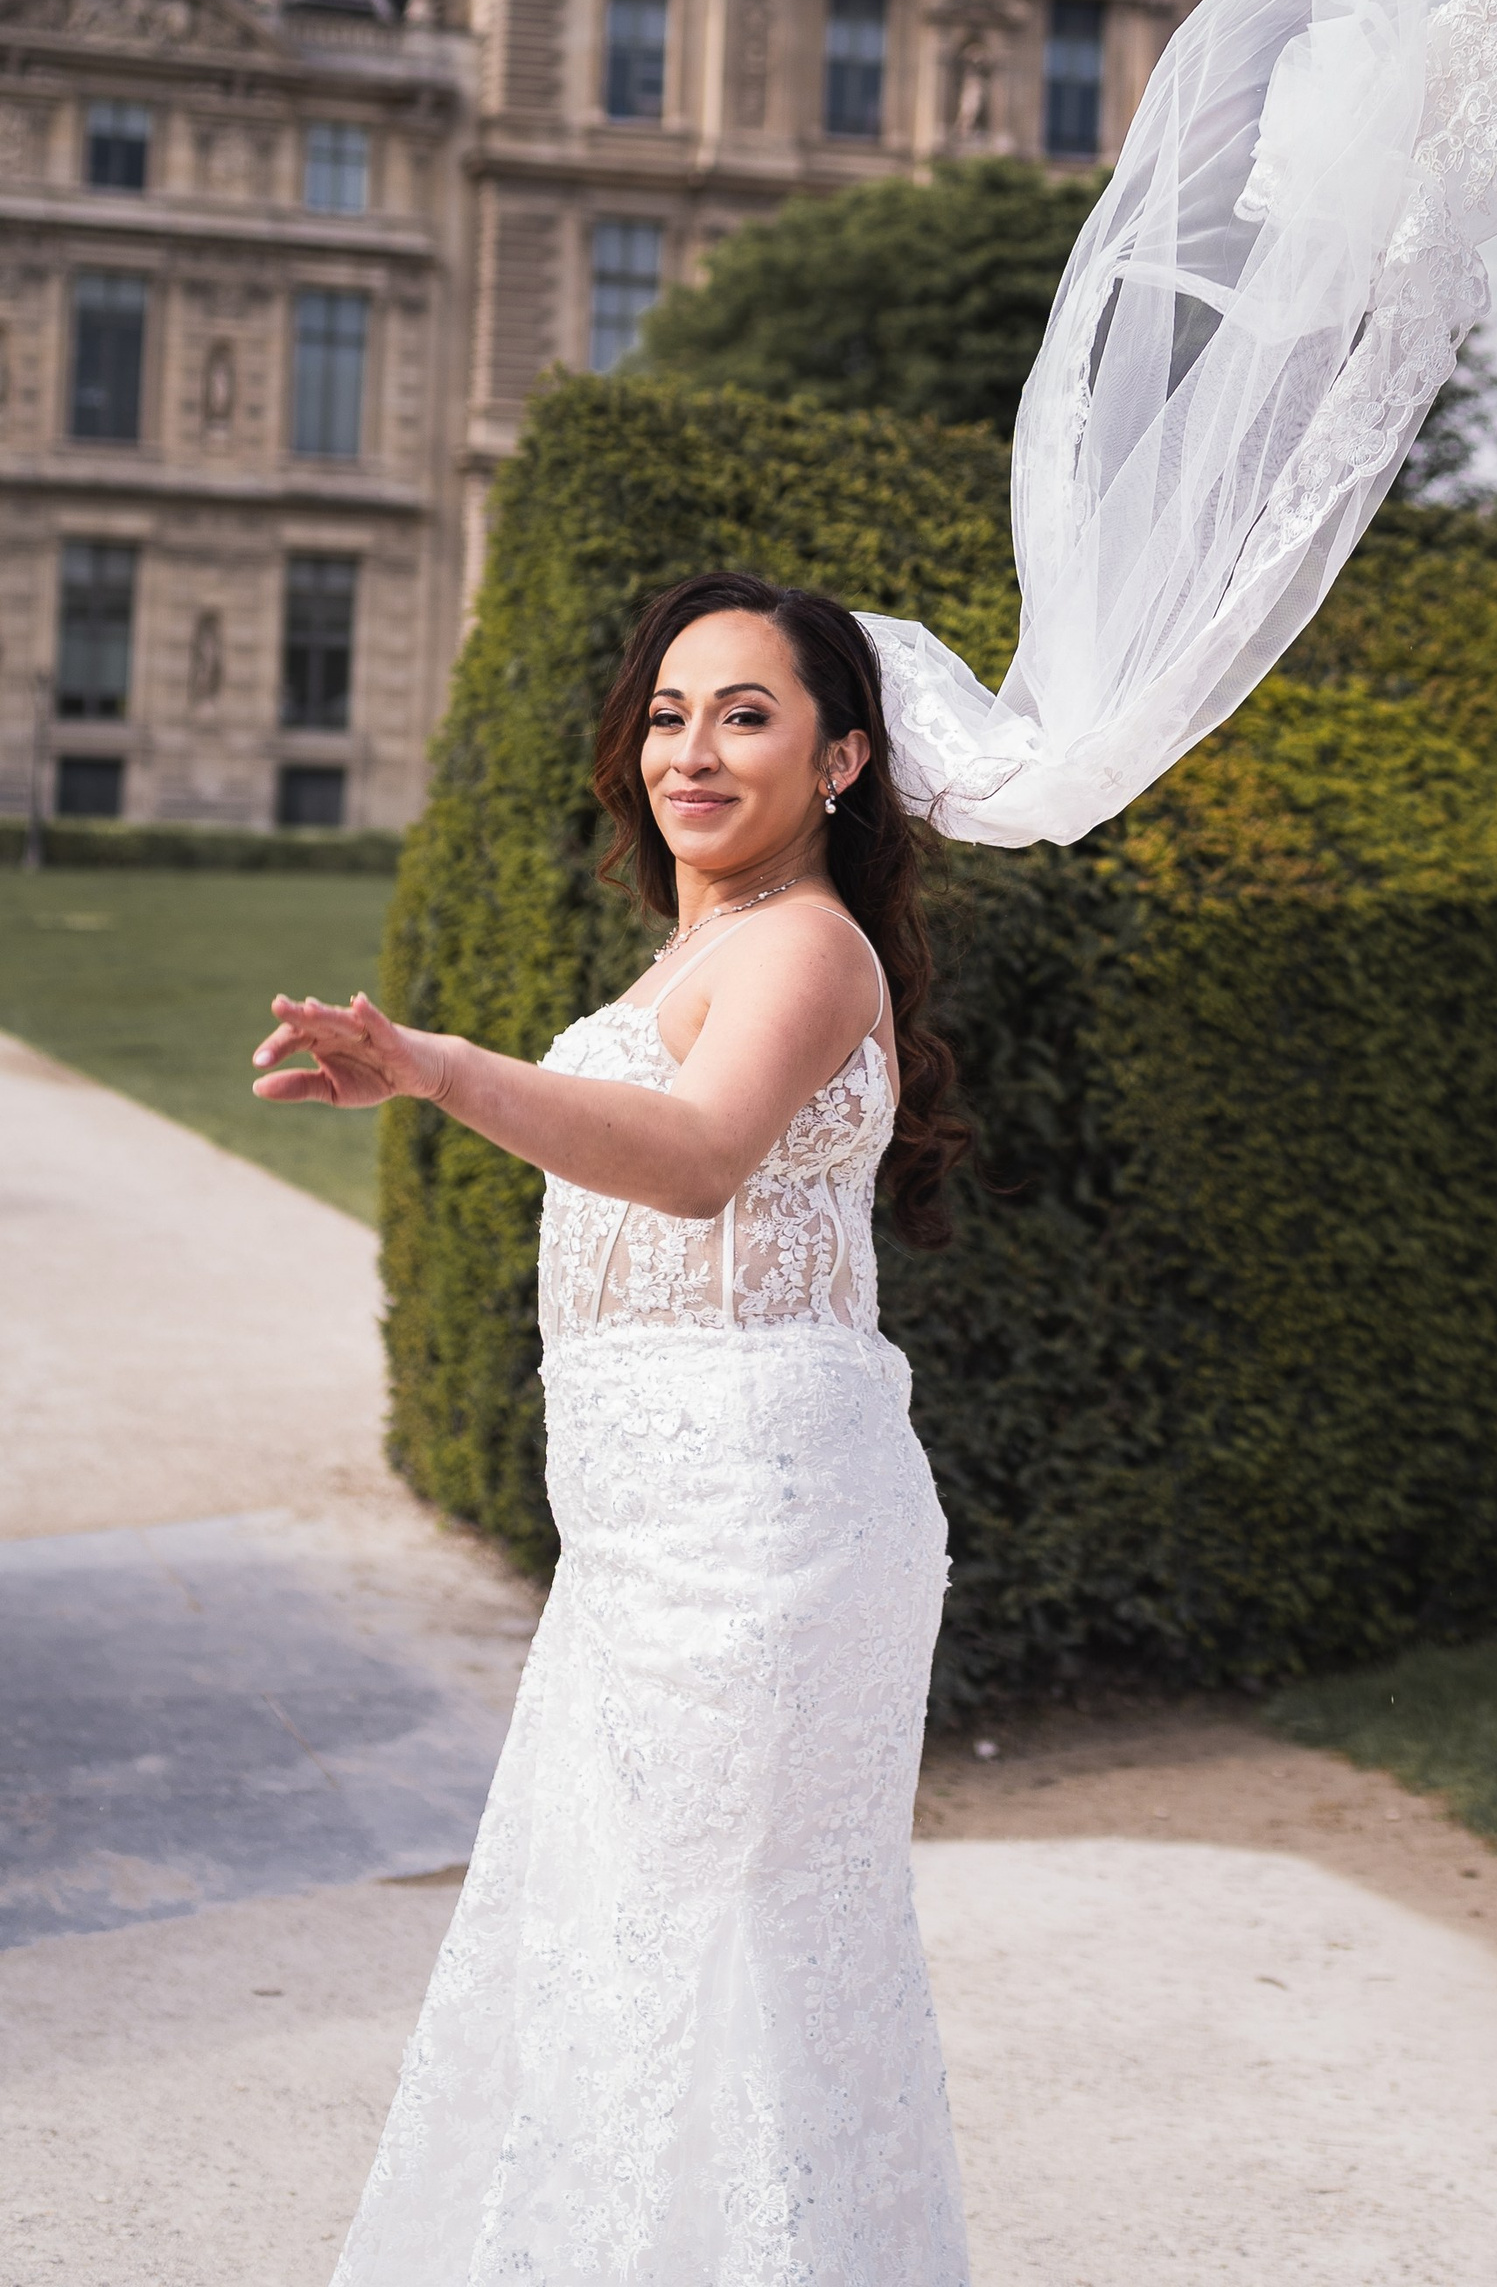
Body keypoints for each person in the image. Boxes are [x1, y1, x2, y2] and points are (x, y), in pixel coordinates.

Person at [255, 569, 974, 2287]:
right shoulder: (708, 943)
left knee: (720, 1961)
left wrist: (435, 1066)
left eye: (747, 715)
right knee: (618, 1951)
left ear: (844, 760)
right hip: (654, 1538)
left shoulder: (805, 943)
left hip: (767, 1536)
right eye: (668, 713)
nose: (693, 752)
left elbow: (701, 1152)